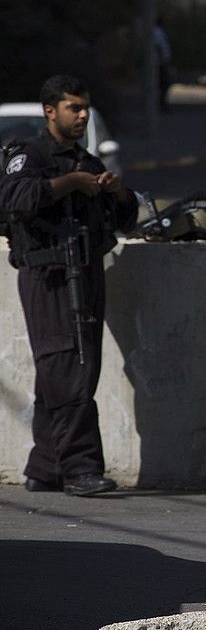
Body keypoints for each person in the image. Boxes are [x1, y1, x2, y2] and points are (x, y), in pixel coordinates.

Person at [0, 75, 137, 497]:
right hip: (49, 277)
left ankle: (44, 467)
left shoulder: (88, 162)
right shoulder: (31, 155)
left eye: (85, 108)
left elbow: (128, 218)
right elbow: (15, 199)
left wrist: (114, 193)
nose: (82, 115)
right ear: (50, 111)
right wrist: (70, 184)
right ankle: (79, 467)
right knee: (67, 371)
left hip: (86, 273)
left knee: (69, 369)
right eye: (73, 108)